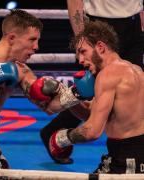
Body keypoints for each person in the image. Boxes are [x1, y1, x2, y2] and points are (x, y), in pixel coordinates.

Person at [0, 8, 95, 168]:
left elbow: (50, 107)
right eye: (32, 39)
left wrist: (76, 93)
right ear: (12, 38)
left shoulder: (22, 71)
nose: (36, 47)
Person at [40, 0, 144, 164]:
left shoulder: (107, 75)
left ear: (100, 47)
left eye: (82, 52)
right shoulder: (133, 71)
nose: (80, 59)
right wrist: (64, 93)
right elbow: (92, 113)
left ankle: (53, 128)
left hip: (134, 23)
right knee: (107, 95)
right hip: (101, 21)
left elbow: (92, 131)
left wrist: (61, 138)